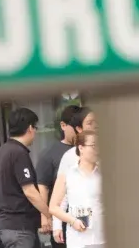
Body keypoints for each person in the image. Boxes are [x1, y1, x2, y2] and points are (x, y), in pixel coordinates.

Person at [0, 108, 52, 248]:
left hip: (6, 224)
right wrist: (49, 214)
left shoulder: (2, 151)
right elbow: (30, 191)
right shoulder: (18, 153)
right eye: (35, 128)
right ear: (30, 128)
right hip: (19, 227)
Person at [47, 131, 103, 248]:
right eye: (93, 145)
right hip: (78, 239)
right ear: (81, 147)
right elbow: (54, 206)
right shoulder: (67, 174)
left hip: (102, 237)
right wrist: (72, 221)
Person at [38, 105, 83, 248]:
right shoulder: (50, 153)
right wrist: (45, 217)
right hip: (62, 217)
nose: (78, 130)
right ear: (63, 125)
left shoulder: (89, 149)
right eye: (75, 126)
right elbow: (43, 186)